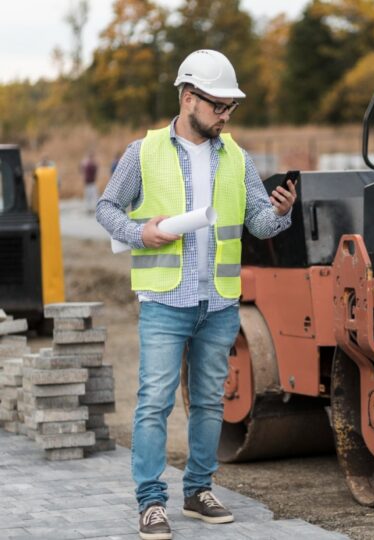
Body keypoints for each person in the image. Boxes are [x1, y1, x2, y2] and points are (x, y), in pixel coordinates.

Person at [96, 49, 296, 540]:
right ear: (189, 98)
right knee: (154, 402)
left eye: (231, 108)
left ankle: (198, 490)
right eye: (219, 106)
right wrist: (142, 233)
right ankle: (150, 502)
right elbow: (106, 208)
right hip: (165, 300)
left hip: (219, 302)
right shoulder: (142, 152)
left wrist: (282, 211)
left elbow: (258, 224)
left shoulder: (238, 158)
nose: (226, 116)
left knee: (209, 402)